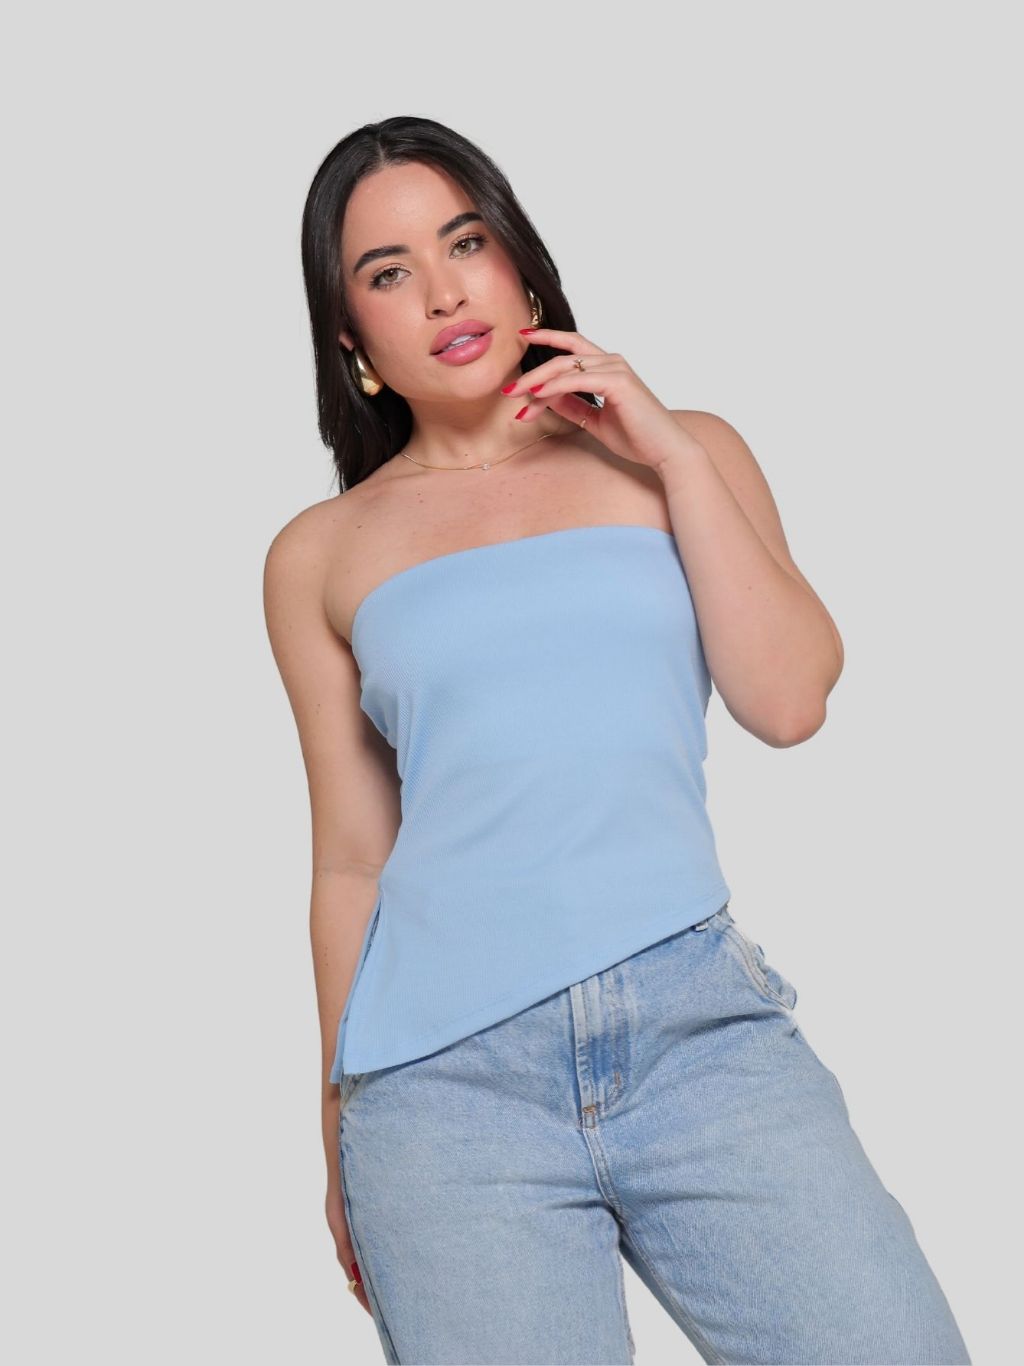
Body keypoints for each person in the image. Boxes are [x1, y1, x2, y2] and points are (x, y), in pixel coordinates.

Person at [263, 116, 971, 1366]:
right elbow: (350, 863)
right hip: (443, 1093)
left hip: (700, 1039)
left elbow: (789, 701)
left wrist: (669, 451)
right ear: (349, 339)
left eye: (464, 244)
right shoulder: (321, 553)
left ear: (519, 263)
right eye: (387, 272)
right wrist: (335, 1135)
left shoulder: (684, 454)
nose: (443, 293)